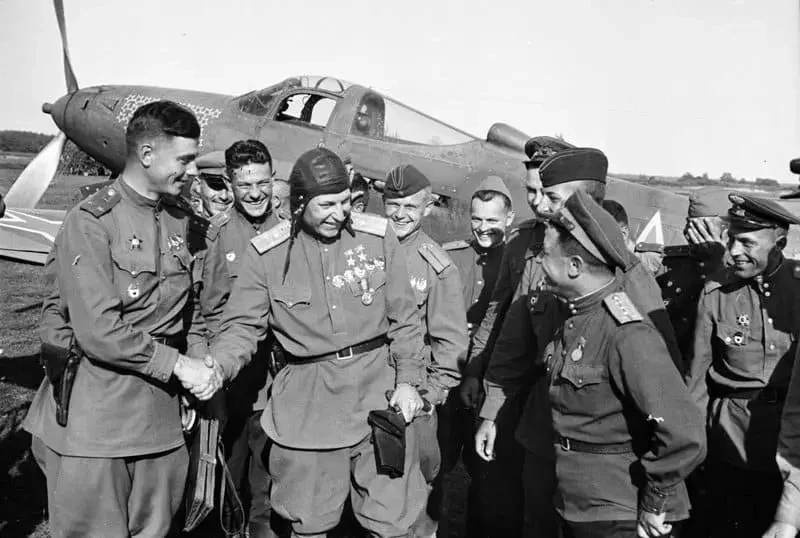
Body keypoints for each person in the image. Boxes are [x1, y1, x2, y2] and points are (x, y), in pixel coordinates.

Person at [22, 100, 223, 536]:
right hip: (97, 424)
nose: (191, 171)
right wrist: (180, 367)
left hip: (162, 423)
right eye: (184, 159)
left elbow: (192, 313)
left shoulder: (183, 221)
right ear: (147, 154)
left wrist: (197, 369)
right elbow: (98, 330)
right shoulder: (92, 222)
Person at [208, 148, 429, 538]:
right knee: (307, 522)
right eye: (326, 205)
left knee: (393, 522)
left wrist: (409, 381)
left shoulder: (378, 237)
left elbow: (406, 320)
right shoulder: (267, 255)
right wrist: (217, 367)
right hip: (308, 409)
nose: (339, 214)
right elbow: (242, 326)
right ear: (299, 203)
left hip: (378, 400)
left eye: (344, 202)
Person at [476, 146, 683, 536]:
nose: (542, 205)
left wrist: (661, 494)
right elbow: (513, 343)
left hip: (606, 451)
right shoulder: (543, 256)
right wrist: (492, 411)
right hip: (543, 432)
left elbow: (664, 388)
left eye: (554, 198)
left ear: (587, 202)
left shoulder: (628, 275)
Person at [685, 192, 800, 537]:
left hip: (791, 450)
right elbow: (696, 384)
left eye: (747, 242)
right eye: (732, 239)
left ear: (780, 243)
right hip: (731, 445)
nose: (734, 250)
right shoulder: (716, 294)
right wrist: (691, 455)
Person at [194, 139, 280, 538]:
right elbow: (201, 310)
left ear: (273, 178)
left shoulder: (292, 231)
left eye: (263, 183)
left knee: (270, 484)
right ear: (229, 185)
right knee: (226, 480)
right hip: (231, 381)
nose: (256, 193)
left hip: (278, 384)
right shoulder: (215, 236)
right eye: (245, 185)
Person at [382, 164, 468, 537]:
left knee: (414, 497)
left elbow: (450, 345)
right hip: (362, 388)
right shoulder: (364, 247)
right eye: (393, 205)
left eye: (410, 207)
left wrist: (429, 397)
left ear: (427, 208)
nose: (400, 215)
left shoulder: (437, 266)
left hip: (410, 400)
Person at [444, 175, 524, 538]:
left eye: (492, 220)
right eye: (476, 218)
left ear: (509, 218)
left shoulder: (518, 261)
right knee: (437, 463)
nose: (483, 227)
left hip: (494, 380)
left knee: (490, 478)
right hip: (450, 374)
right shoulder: (451, 255)